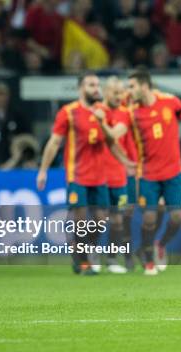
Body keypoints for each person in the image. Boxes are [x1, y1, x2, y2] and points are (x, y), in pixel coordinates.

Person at [36, 72, 133, 275]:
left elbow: (110, 142)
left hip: (100, 177)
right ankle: (83, 260)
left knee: (99, 221)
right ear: (81, 88)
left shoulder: (101, 112)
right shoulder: (69, 112)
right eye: (91, 85)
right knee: (79, 221)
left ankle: (83, 252)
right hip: (77, 175)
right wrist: (43, 170)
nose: (96, 88)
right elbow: (54, 142)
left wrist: (124, 161)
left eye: (97, 85)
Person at [125, 69, 181, 275]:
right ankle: (147, 256)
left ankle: (160, 245)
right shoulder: (132, 112)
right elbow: (121, 135)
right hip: (147, 173)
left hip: (174, 172)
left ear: (144, 85)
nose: (128, 91)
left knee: (177, 216)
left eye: (131, 86)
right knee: (149, 218)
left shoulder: (170, 102)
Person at [92, 76, 138, 273]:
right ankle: (90, 253)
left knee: (118, 220)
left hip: (119, 177)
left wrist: (132, 164)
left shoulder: (124, 114)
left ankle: (111, 259)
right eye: (115, 92)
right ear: (105, 92)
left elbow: (117, 136)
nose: (119, 96)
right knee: (99, 219)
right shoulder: (95, 110)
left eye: (121, 92)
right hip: (99, 176)